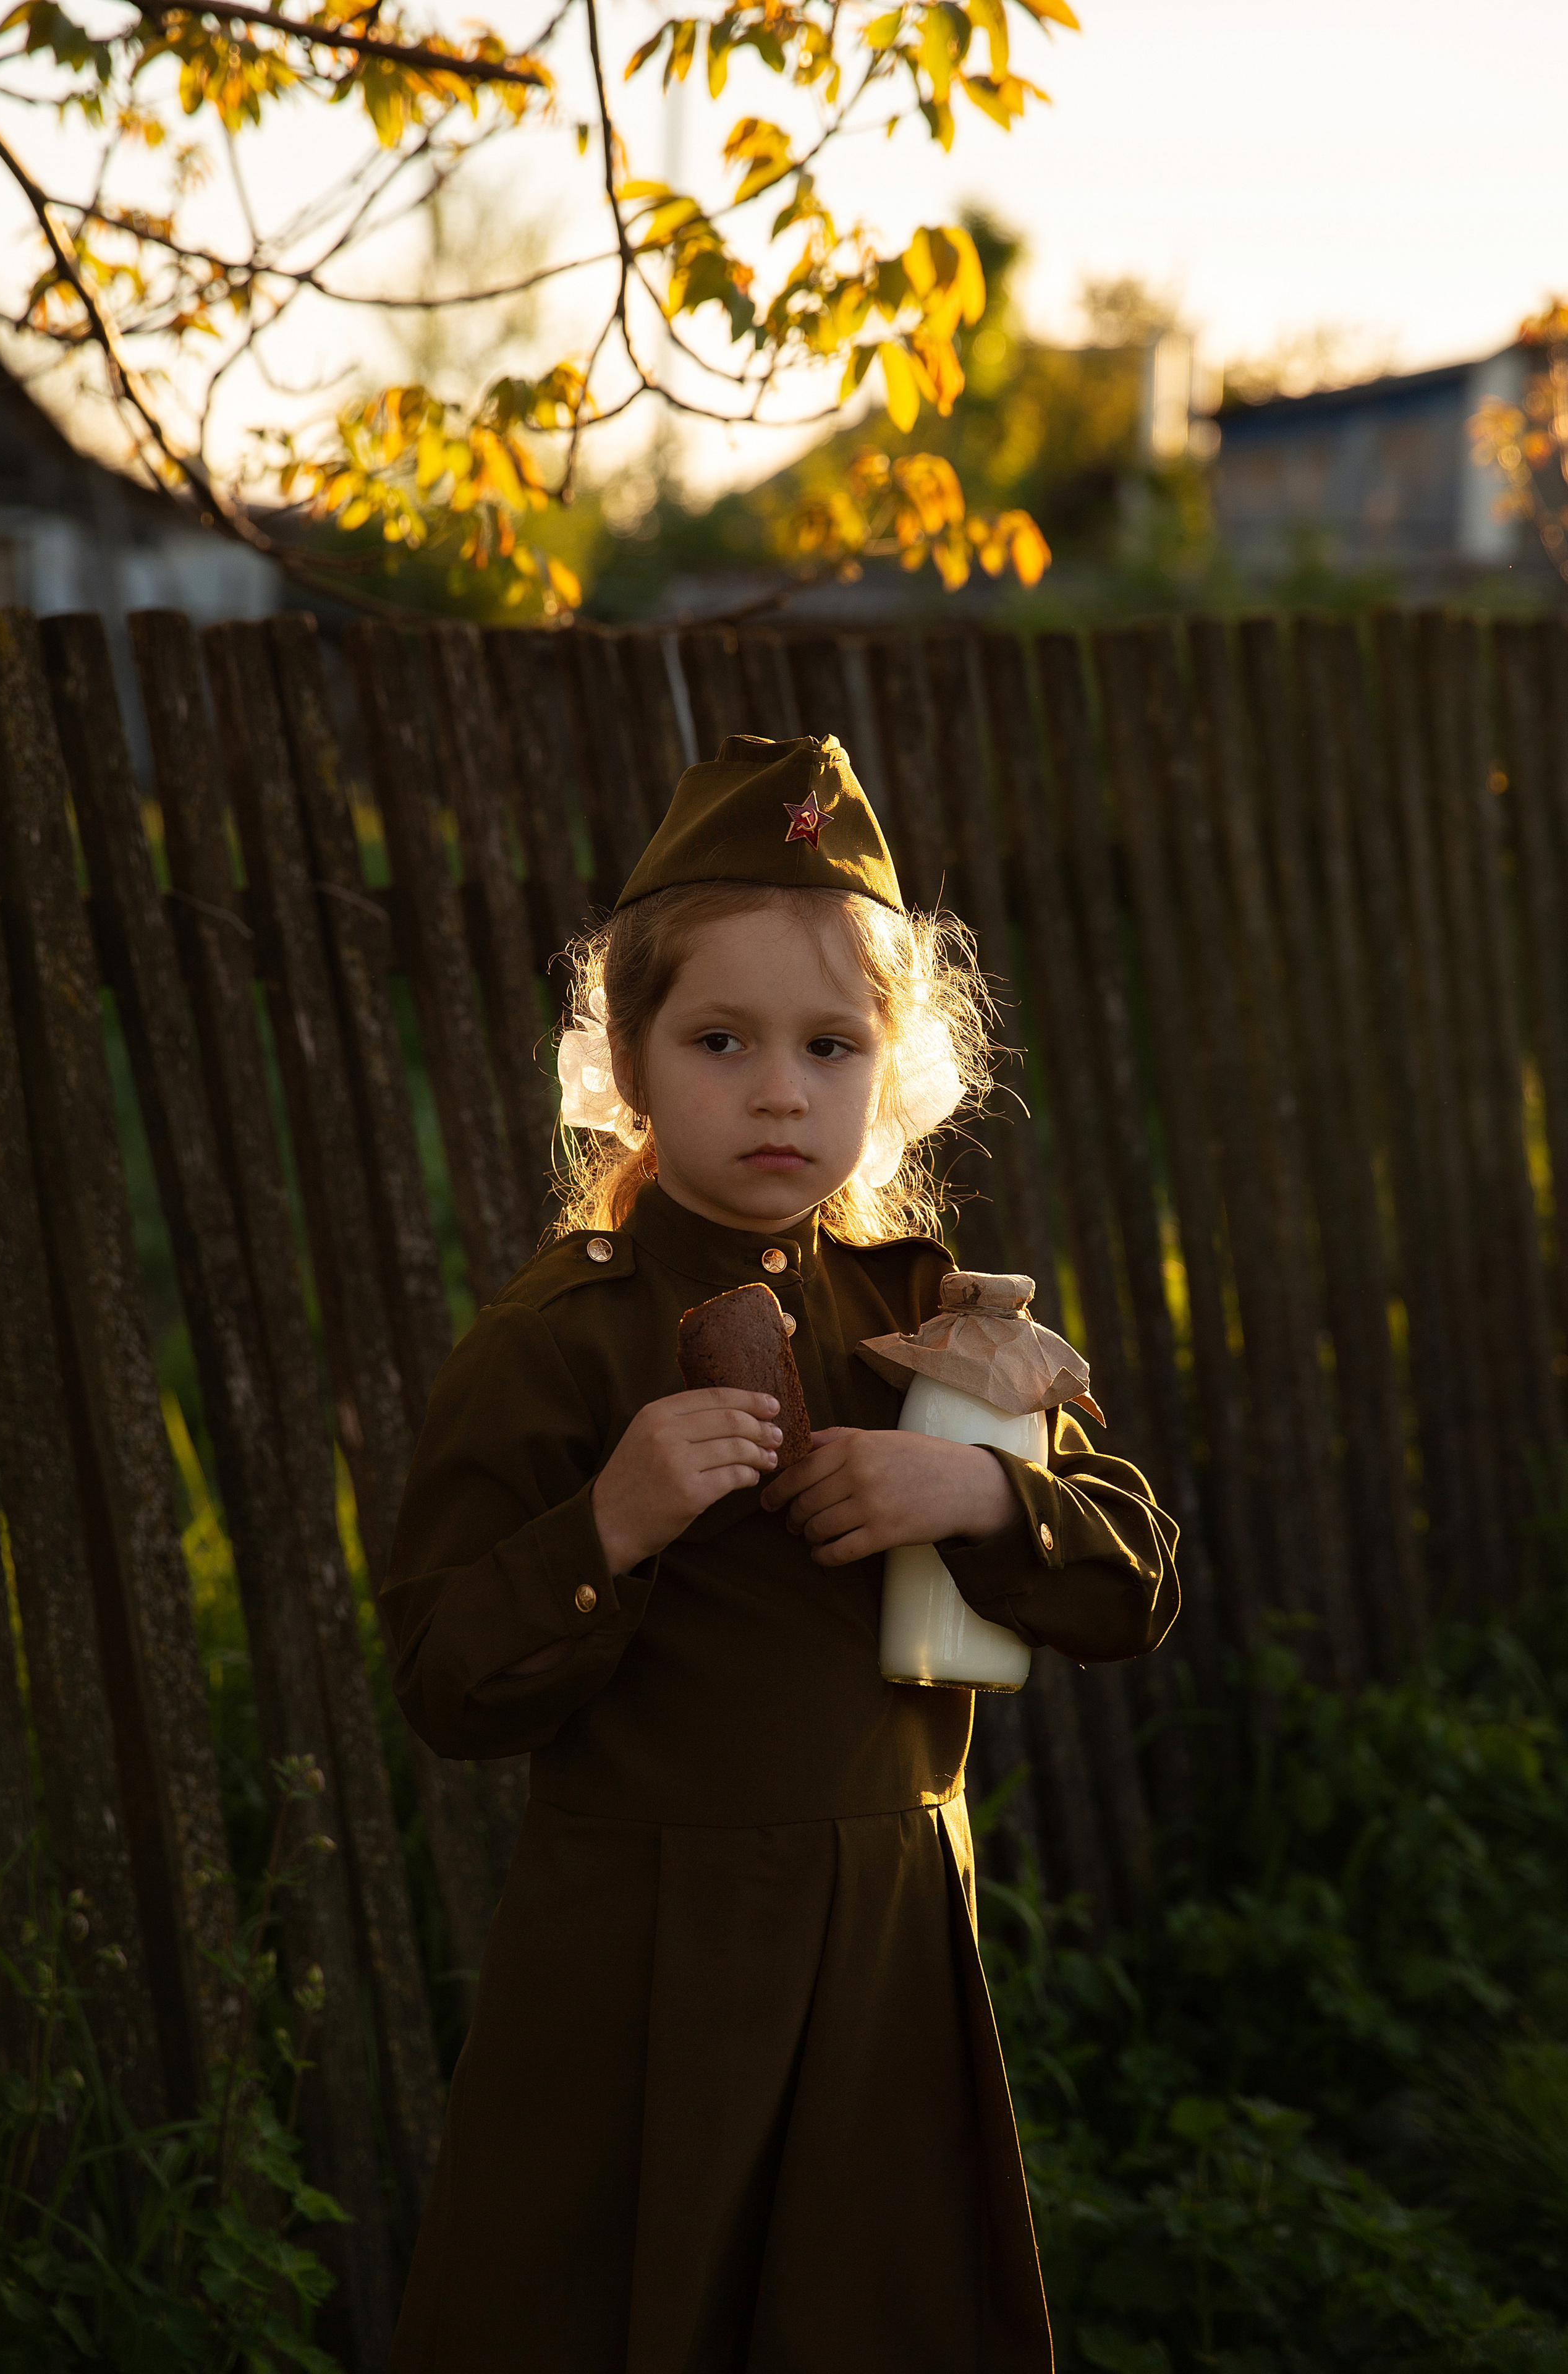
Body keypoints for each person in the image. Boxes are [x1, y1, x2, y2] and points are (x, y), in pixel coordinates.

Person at [382, 733, 1180, 2373]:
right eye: (720, 1040)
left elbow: (1138, 1584)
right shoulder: (556, 1341)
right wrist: (611, 1524)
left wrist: (979, 1496)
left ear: (891, 1068)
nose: (777, 1091)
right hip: (645, 1965)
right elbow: (447, 1685)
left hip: (887, 1948)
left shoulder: (937, 1318)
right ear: (627, 1057)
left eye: (830, 1046)